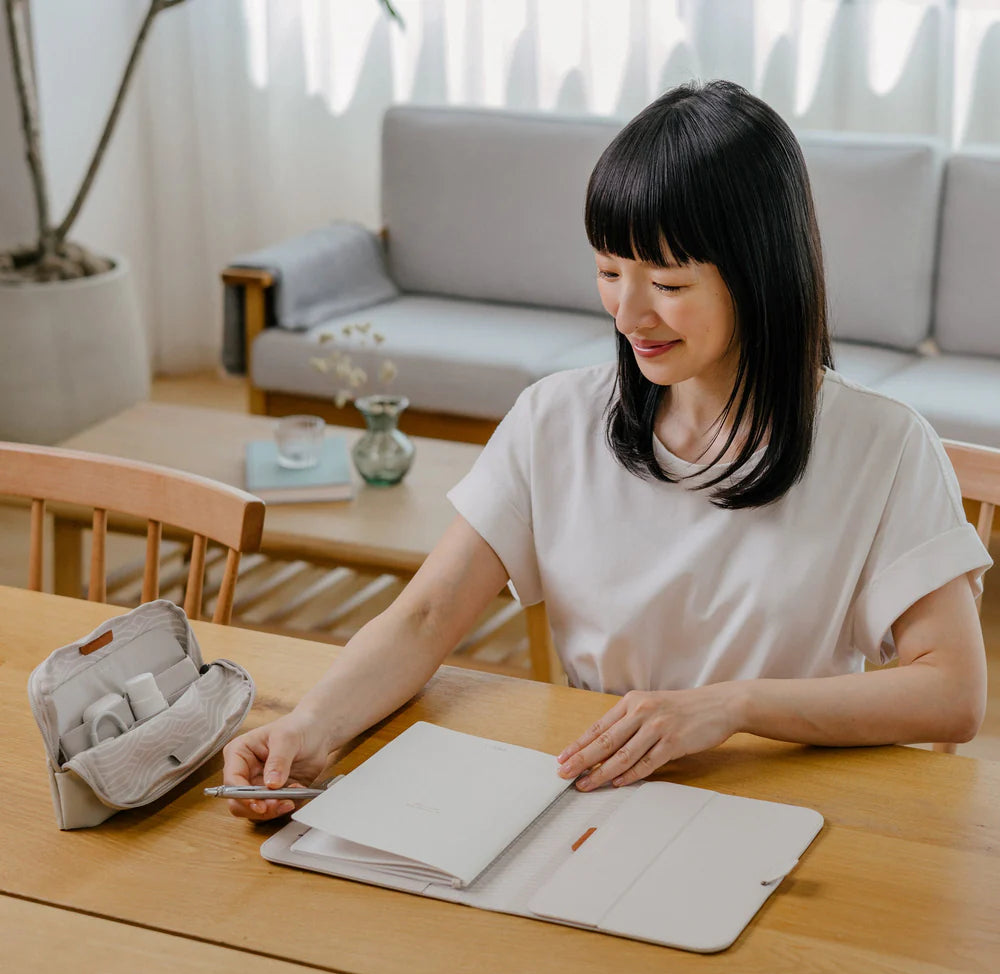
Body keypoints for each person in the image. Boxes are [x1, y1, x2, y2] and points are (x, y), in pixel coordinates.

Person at [223, 79, 991, 821]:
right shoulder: (556, 420)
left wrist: (731, 707)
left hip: (791, 797)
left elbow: (951, 693)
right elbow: (426, 616)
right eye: (609, 271)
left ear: (759, 275)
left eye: (668, 282)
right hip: (592, 795)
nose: (629, 313)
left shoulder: (882, 446)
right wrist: (312, 728)